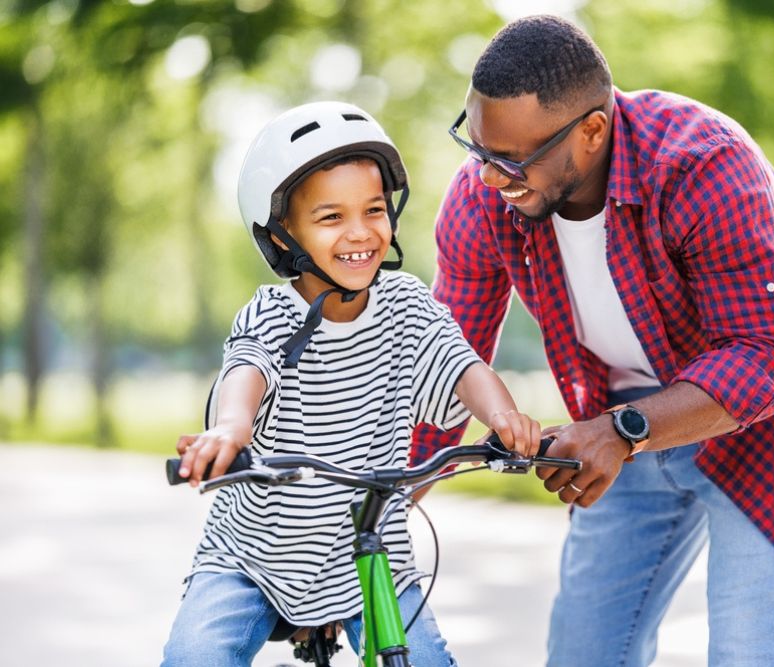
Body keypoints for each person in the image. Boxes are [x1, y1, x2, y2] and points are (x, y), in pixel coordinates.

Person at [413, 14, 774, 667]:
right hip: (624, 410)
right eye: (478, 148)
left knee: (753, 649)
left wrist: (622, 429)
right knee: (585, 652)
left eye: (511, 160)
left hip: (772, 409)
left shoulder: (702, 164)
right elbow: (447, 364)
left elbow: (767, 358)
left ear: (592, 132)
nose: (490, 177)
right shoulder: (482, 200)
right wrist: (378, 504)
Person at [161, 101, 541, 667]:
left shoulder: (407, 304)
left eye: (374, 210)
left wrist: (503, 418)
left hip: (370, 552)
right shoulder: (270, 312)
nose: (361, 233)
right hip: (254, 555)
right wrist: (230, 431)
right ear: (281, 234)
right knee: (197, 657)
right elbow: (247, 371)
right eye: (331, 217)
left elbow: (463, 366)